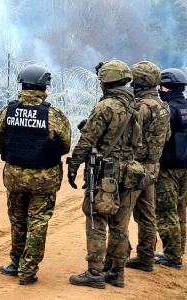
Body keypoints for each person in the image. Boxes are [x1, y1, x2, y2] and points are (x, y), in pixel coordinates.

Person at [0, 63, 71, 285]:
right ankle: (27, 271)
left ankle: (15, 263)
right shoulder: (53, 114)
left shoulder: (7, 111)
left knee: (17, 221)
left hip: (15, 176)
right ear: (44, 86)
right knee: (37, 222)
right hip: (44, 178)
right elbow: (65, 145)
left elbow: (0, 142)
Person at [67, 60, 141, 289]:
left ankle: (95, 272)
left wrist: (73, 165)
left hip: (105, 171)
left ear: (106, 81)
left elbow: (87, 140)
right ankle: (116, 272)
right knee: (120, 224)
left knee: (96, 219)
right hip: (129, 171)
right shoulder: (135, 106)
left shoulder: (106, 106)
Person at [124, 61, 171, 272]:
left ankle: (117, 259)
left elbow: (126, 136)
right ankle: (146, 258)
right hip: (153, 168)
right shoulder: (163, 106)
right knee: (147, 216)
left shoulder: (138, 107)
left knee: (121, 215)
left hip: (134, 168)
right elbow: (166, 136)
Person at [154, 68, 187, 270]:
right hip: (185, 167)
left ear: (167, 87)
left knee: (166, 212)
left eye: (161, 86)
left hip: (168, 168)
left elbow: (160, 137)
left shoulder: (168, 110)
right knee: (180, 211)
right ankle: (178, 251)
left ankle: (172, 257)